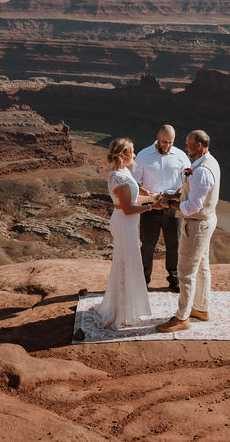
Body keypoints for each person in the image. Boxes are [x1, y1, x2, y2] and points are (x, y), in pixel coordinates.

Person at [155, 130, 220, 333]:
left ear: (198, 146)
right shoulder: (210, 162)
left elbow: (193, 207)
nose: (185, 147)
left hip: (196, 225)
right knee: (201, 266)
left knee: (185, 272)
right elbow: (193, 190)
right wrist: (176, 193)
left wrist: (170, 203)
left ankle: (182, 317)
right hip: (206, 222)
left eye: (188, 144)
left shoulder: (201, 171)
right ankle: (201, 308)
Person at [95, 137, 163, 328]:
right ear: (123, 154)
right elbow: (128, 209)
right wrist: (152, 207)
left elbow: (134, 198)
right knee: (127, 263)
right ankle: (123, 311)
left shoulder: (124, 171)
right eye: (132, 152)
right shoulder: (120, 178)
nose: (134, 154)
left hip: (128, 224)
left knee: (128, 261)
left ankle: (127, 304)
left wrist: (150, 197)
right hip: (125, 224)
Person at [132, 124, 190, 292]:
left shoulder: (181, 156)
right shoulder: (143, 156)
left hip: (173, 208)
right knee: (148, 244)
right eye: (164, 141)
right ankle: (143, 280)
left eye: (170, 142)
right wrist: (151, 197)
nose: (167, 145)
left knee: (174, 244)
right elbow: (135, 183)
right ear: (157, 136)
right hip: (150, 208)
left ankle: (174, 278)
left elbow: (187, 182)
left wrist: (175, 196)